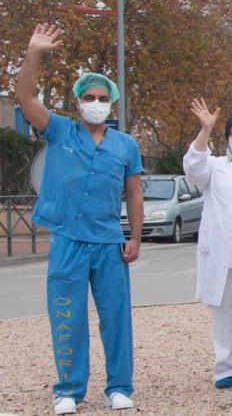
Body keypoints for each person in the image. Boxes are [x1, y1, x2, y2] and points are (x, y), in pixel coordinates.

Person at [17, 24, 144, 415]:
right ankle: (68, 390)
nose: (95, 102)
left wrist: (135, 237)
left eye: (102, 98)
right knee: (67, 317)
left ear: (112, 104)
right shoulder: (60, 131)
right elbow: (24, 98)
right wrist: (34, 52)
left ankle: (119, 387)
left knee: (115, 318)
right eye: (88, 97)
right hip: (68, 241)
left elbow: (135, 192)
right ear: (77, 102)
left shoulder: (126, 145)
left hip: (108, 242)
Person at [183, 98, 232, 390]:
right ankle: (225, 367)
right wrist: (205, 130)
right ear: (227, 138)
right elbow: (193, 168)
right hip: (221, 251)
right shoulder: (215, 167)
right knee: (225, 312)